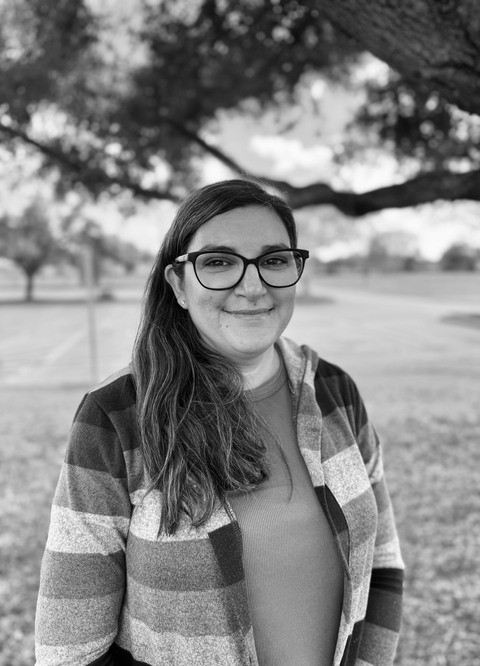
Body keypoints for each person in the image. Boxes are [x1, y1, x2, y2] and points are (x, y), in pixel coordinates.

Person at [35, 179, 404, 666]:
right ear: (178, 285)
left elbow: (383, 566)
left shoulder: (335, 391)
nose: (252, 287)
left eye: (274, 261)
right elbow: (69, 645)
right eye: (218, 262)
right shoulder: (116, 415)